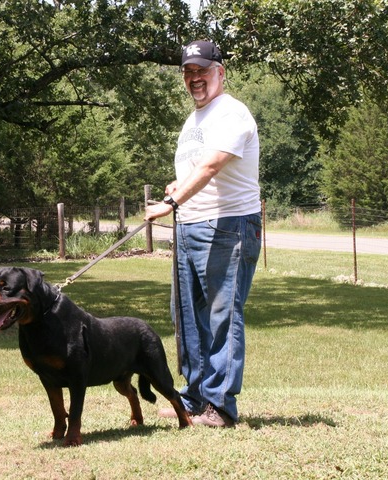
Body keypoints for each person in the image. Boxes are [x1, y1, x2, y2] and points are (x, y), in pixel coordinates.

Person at [145, 40, 261, 428]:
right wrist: (176, 188)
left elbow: (211, 166)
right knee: (188, 317)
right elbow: (197, 170)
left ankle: (221, 407)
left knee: (222, 315)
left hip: (227, 225)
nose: (195, 79)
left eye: (202, 71)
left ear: (221, 72)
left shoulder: (231, 112)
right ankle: (194, 398)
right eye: (189, 72)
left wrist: (171, 204)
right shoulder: (194, 120)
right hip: (192, 224)